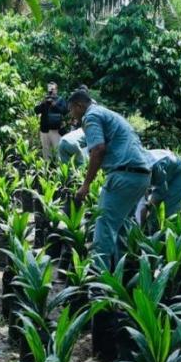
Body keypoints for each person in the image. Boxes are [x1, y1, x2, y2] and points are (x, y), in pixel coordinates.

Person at [70, 90, 151, 269]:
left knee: (104, 224)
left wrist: (86, 184)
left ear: (79, 106)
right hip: (141, 176)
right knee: (121, 227)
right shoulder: (108, 114)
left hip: (122, 176)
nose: (72, 115)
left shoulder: (91, 116)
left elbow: (98, 149)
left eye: (71, 110)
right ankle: (119, 274)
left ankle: (99, 280)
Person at [135, 149, 181, 227]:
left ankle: (167, 233)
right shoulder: (137, 166)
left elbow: (161, 191)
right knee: (153, 210)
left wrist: (148, 205)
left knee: (168, 209)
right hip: (168, 172)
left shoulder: (156, 168)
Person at [34, 82, 68, 160]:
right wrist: (43, 103)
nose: (51, 90)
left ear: (56, 89)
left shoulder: (60, 100)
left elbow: (64, 111)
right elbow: (36, 111)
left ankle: (59, 171)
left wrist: (54, 105)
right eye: (49, 88)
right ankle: (47, 170)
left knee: (58, 151)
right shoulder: (44, 100)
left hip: (56, 130)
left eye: (53, 89)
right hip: (44, 130)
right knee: (46, 151)